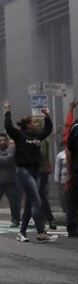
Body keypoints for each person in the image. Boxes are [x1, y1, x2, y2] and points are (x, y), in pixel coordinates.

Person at [4, 103, 57, 243]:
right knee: (36, 201)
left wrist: (47, 116)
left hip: (35, 171)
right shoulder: (20, 136)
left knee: (29, 203)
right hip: (24, 171)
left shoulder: (37, 136)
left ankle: (22, 233)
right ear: (28, 125)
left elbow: (48, 130)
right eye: (34, 122)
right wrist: (8, 112)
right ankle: (41, 233)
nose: (36, 124)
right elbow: (8, 127)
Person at [64, 101, 78, 238]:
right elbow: (69, 152)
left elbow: (69, 152)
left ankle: (72, 227)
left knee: (73, 200)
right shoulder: (75, 127)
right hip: (76, 170)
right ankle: (72, 227)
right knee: (73, 200)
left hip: (75, 169)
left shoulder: (74, 127)